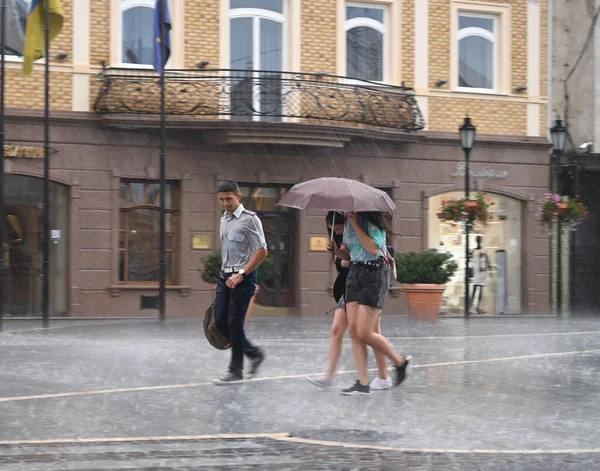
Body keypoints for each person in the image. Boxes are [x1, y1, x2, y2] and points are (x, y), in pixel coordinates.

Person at [306, 212, 392, 390]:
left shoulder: (363, 225)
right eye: (332, 229)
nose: (336, 231)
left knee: (369, 332)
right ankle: (331, 375)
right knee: (340, 329)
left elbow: (372, 251)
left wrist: (348, 259)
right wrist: (336, 251)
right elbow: (346, 259)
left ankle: (387, 373)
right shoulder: (346, 233)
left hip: (370, 281)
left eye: (337, 228)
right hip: (350, 285)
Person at [336, 211, 412, 396]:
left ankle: (400, 361)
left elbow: (373, 250)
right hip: (354, 274)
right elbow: (349, 254)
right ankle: (362, 383)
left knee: (364, 332)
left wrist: (356, 224)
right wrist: (335, 250)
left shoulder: (371, 222)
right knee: (354, 331)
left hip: (374, 274)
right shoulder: (347, 222)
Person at [212, 180, 268, 385]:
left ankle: (235, 371)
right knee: (219, 323)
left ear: (238, 196)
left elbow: (262, 251)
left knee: (235, 324)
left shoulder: (250, 220)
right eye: (221, 200)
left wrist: (241, 274)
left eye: (229, 199)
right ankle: (254, 353)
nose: (225, 203)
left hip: (243, 278)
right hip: (224, 276)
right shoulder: (223, 219)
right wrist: (225, 275)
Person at [470, 235, 489, 314]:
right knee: (476, 288)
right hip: (477, 271)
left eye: (479, 239)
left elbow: (486, 260)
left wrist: (486, 267)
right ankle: (472, 306)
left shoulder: (481, 250)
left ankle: (477, 307)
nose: (478, 240)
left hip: (480, 271)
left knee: (479, 288)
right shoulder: (475, 250)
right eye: (477, 239)